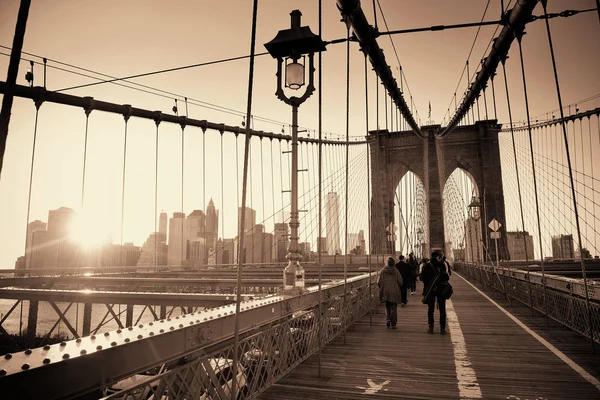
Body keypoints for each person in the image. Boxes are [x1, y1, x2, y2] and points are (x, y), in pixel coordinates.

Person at [421, 251, 450, 335]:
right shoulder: (442, 265)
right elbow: (446, 278)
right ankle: (442, 329)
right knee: (442, 309)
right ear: (438, 257)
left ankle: (431, 327)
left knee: (430, 309)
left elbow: (423, 278)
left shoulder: (426, 266)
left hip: (430, 290)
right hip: (441, 289)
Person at [378, 256, 403, 329]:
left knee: (387, 306)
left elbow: (379, 282)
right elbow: (400, 281)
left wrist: (382, 289)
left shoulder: (383, 271)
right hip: (394, 291)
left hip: (386, 291)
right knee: (394, 308)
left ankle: (388, 320)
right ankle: (393, 324)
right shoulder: (396, 271)